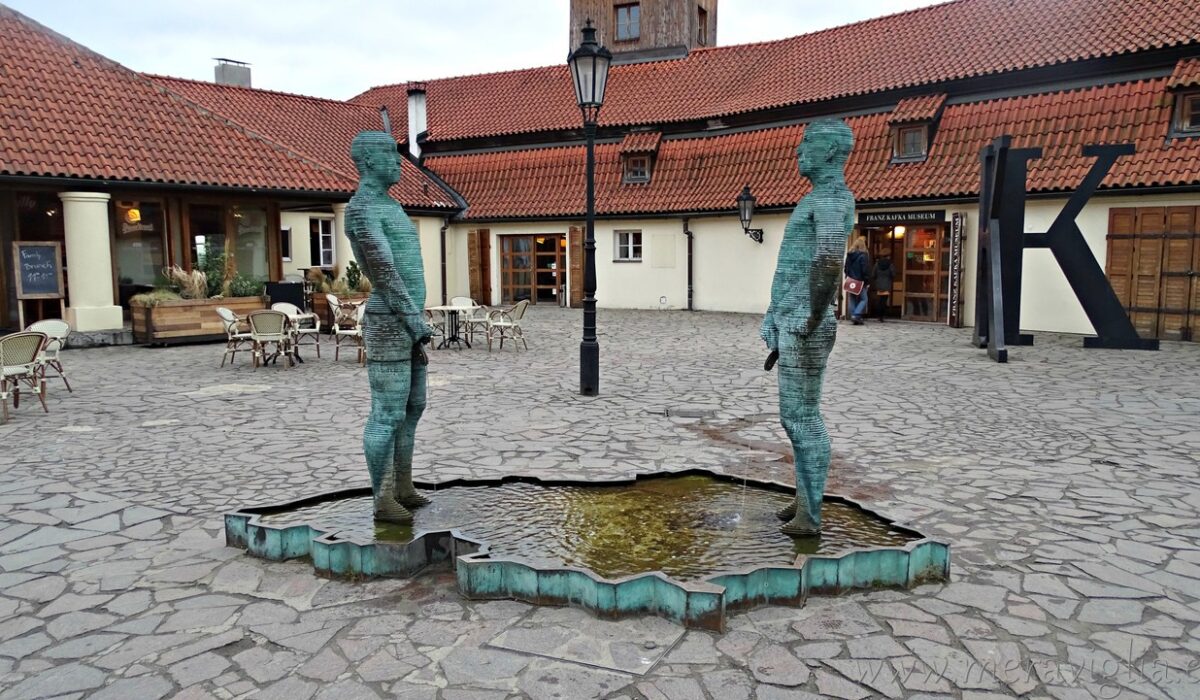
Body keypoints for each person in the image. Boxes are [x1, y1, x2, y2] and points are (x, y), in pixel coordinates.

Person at [759, 119, 856, 536]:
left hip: (805, 324)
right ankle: (804, 498)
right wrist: (772, 314)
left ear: (831, 153)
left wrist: (811, 317)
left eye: (807, 146)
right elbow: (793, 267)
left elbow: (830, 257)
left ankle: (810, 516)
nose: (798, 153)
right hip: (794, 319)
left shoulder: (833, 199)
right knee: (794, 416)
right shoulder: (817, 198)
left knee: (802, 417)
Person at [344, 131, 434, 524]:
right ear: (367, 162)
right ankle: (382, 497)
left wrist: (416, 320)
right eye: (389, 154)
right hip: (389, 320)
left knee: (413, 407)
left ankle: (403, 486)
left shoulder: (391, 205)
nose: (399, 161)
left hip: (408, 319)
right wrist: (415, 321)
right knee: (387, 412)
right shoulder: (362, 208)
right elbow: (383, 270)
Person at [843, 237, 870, 324]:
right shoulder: (863, 255)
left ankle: (854, 316)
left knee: (852, 299)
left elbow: (846, 268)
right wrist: (867, 281)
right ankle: (856, 314)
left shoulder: (849, 255)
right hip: (860, 281)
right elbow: (865, 270)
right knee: (864, 299)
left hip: (851, 280)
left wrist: (848, 276)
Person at [870, 254, 895, 322]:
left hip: (879, 284)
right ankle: (882, 316)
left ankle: (878, 315)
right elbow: (893, 274)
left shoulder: (877, 264)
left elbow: (873, 274)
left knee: (879, 301)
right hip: (887, 284)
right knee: (884, 301)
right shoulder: (890, 265)